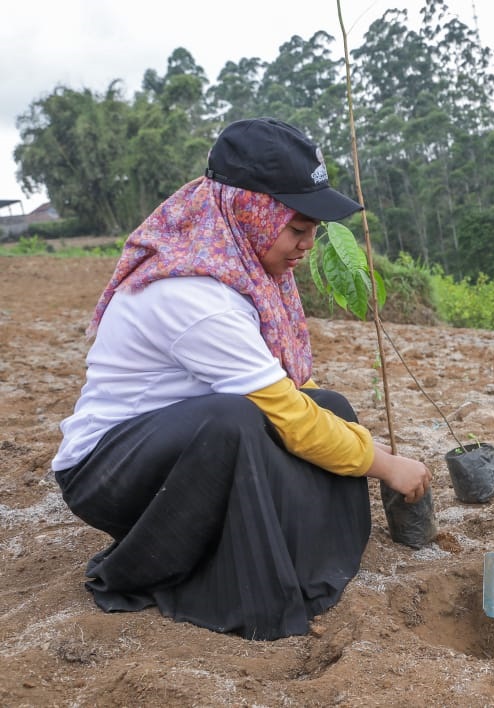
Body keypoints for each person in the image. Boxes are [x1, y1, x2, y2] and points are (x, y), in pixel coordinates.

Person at [51, 117, 433, 640]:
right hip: (108, 473)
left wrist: (363, 445)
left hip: (181, 450)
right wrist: (385, 464)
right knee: (238, 420)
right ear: (250, 212)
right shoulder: (195, 296)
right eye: (296, 230)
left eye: (312, 233)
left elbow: (298, 406)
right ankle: (204, 576)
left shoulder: (243, 267)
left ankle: (297, 559)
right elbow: (289, 419)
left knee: (333, 407)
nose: (305, 247)